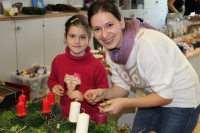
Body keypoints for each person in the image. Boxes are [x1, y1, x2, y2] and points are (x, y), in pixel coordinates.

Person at [83, 0, 200, 133]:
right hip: (155, 95)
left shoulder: (146, 45)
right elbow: (122, 87)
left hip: (181, 100)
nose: (104, 35)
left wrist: (124, 103)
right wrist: (104, 92)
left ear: (121, 21)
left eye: (109, 25)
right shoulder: (112, 53)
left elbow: (166, 95)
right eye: (97, 29)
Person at [47, 14, 109, 121]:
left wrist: (83, 96)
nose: (77, 41)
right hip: (64, 117)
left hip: (90, 122)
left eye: (82, 37)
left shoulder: (97, 66)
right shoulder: (58, 60)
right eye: (72, 36)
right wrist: (55, 86)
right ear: (65, 36)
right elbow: (51, 80)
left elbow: (104, 96)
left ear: (89, 38)